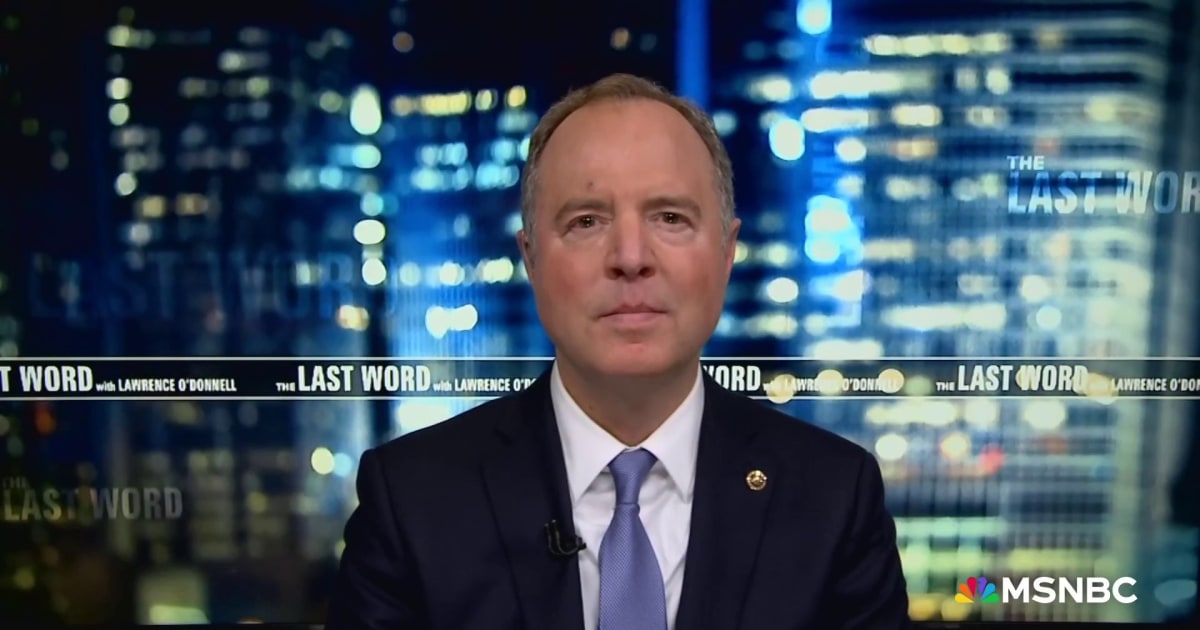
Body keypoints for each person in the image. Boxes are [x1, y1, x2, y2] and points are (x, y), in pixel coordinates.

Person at [326, 73, 911, 630]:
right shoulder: (412, 501)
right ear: (530, 258)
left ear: (727, 251)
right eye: (586, 222)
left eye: (670, 218)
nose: (631, 257)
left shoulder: (834, 497)